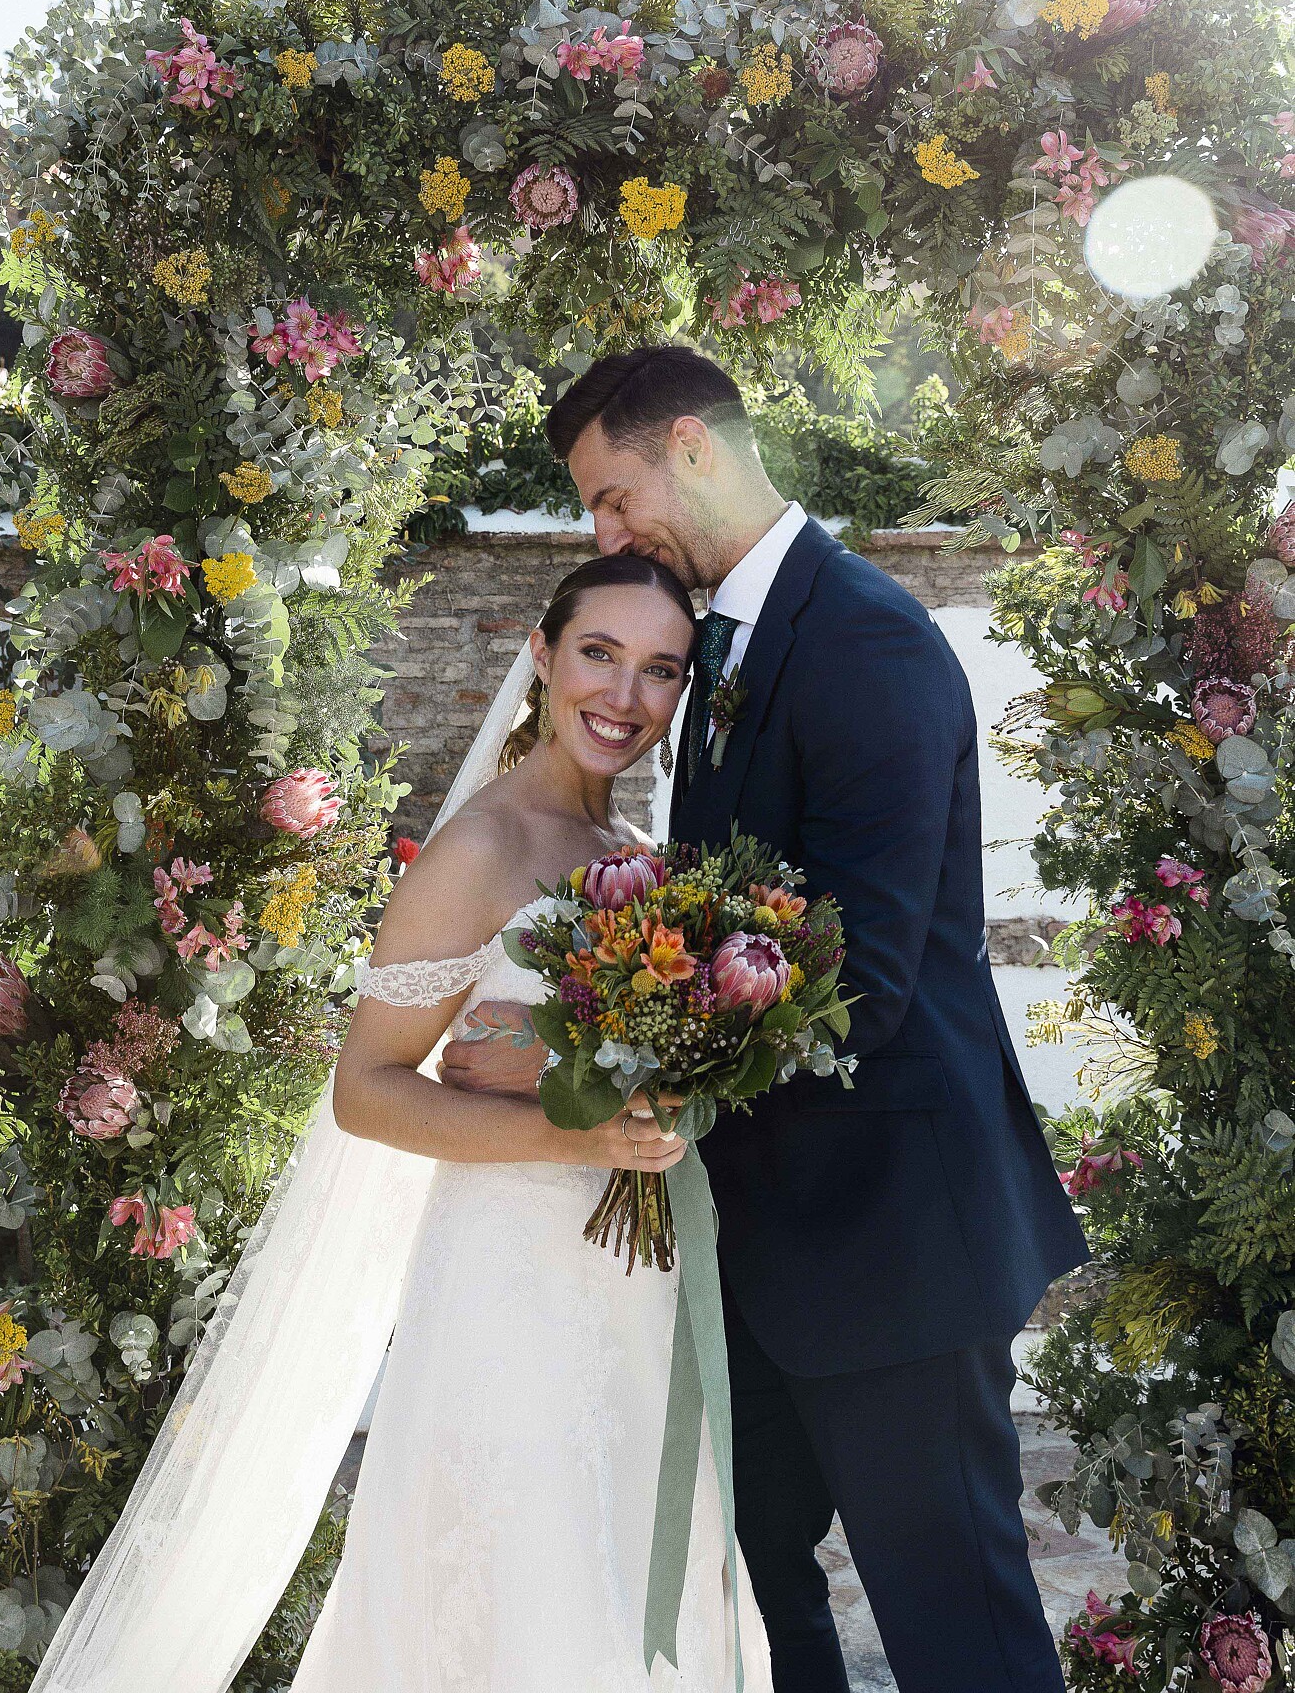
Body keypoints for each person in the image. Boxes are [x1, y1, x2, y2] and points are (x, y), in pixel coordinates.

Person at [442, 346, 1090, 1693]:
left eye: (613, 498)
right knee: (747, 1597)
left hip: (895, 1238)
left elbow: (865, 975)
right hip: (771, 1247)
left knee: (956, 1626)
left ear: (686, 444)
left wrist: (597, 1060)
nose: (606, 535)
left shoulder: (861, 638)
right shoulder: (729, 639)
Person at [288, 550, 774, 1691]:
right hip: (510, 1283)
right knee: (531, 1593)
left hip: (640, 1289)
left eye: (660, 669)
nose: (624, 695)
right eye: (598, 654)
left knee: (638, 1578)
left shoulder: (641, 859)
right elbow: (366, 1087)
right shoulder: (482, 847)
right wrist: (577, 1136)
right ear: (540, 657)